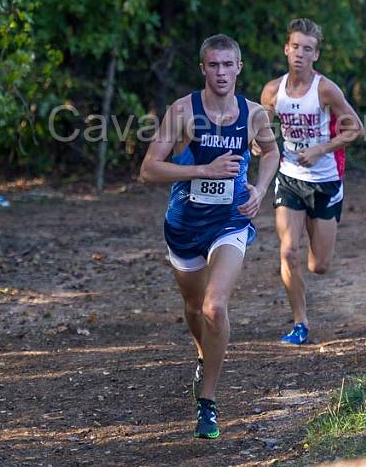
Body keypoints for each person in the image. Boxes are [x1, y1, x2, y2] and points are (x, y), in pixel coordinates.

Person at [140, 34, 279, 439]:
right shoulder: (183, 111)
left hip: (230, 222)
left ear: (239, 68)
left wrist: (259, 188)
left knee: (215, 308)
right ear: (203, 68)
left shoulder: (253, 114)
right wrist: (202, 170)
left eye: (227, 65)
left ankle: (208, 402)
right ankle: (203, 355)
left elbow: (270, 153)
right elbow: (149, 170)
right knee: (194, 307)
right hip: (184, 226)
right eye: (213, 65)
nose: (221, 72)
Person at [259, 18, 363, 345]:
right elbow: (262, 129)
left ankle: (315, 238)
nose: (300, 54)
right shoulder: (273, 91)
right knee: (289, 252)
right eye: (295, 47)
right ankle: (300, 323)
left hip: (326, 180)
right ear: (286, 49)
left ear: (315, 55)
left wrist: (322, 148)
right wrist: (256, 142)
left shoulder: (326, 90)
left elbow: (355, 128)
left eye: (308, 49)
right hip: (290, 177)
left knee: (318, 265)